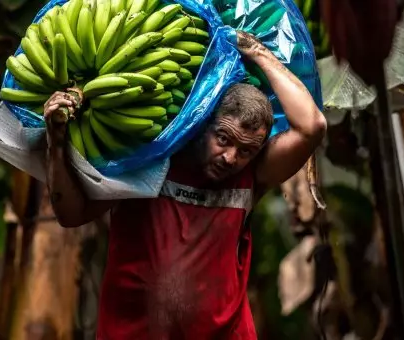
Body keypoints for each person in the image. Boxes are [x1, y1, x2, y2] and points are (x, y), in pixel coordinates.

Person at [42, 31, 327, 340]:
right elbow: (72, 215)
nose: (231, 157)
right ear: (202, 123)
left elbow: (312, 126)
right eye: (223, 139)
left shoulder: (252, 176)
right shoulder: (151, 159)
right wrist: (56, 147)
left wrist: (256, 52)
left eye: (246, 150)